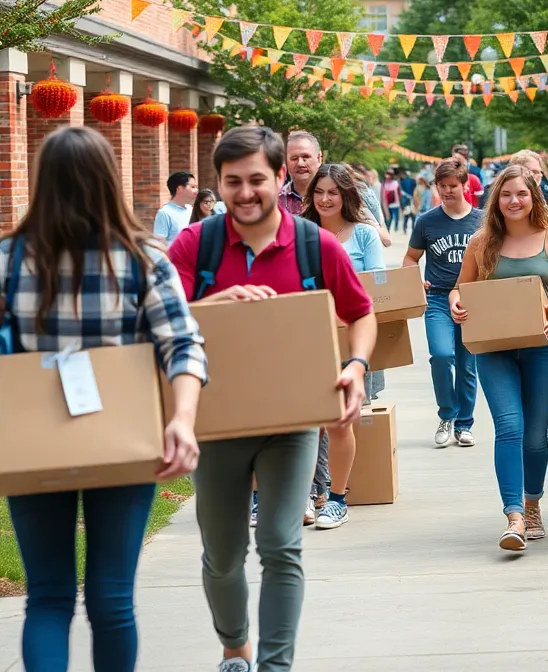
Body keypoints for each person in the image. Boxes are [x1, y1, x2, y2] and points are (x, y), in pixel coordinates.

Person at [168, 125, 376, 671]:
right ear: (218, 182)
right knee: (221, 556)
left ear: (280, 177)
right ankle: (235, 646)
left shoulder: (314, 244)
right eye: (232, 181)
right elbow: (156, 323)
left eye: (257, 178)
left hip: (293, 418)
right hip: (218, 420)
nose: (245, 191)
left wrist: (355, 365)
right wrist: (217, 303)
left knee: (282, 544)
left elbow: (361, 314)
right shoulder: (196, 245)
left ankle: (274, 665)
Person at [0, 127, 204, 672]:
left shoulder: (8, 259)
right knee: (112, 599)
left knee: (47, 597)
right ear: (107, 181)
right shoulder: (143, 258)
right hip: (123, 438)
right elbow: (183, 345)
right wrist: (182, 421)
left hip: (34, 443)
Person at [449, 165, 548, 551]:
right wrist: (456, 303)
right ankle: (514, 515)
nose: (514, 201)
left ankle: (533, 501)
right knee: (509, 427)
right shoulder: (481, 241)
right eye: (506, 195)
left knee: (535, 436)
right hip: (493, 349)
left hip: (541, 346)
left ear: (533, 197)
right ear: (496, 200)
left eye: (521, 194)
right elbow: (461, 288)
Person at [301, 163, 387, 530]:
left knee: (338, 421)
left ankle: (336, 499)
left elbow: (374, 291)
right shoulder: (299, 234)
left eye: (332, 193)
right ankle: (304, 496)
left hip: (348, 339)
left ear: (346, 196)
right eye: (318, 192)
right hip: (304, 339)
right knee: (302, 423)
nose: (324, 199)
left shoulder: (364, 235)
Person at [405, 158, 483, 448]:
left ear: (466, 186)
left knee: (467, 364)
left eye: (454, 186)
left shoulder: (482, 220)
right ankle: (447, 415)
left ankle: (465, 424)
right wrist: (414, 281)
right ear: (436, 187)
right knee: (441, 355)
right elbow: (411, 258)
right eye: (442, 186)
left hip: (472, 299)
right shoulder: (427, 221)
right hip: (437, 298)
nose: (448, 191)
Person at [511, 150, 548, 421]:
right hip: (504, 325)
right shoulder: (487, 235)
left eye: (538, 173)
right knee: (511, 422)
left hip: (546, 295)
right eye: (532, 173)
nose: (537, 178)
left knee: (535, 434)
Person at [153, 170, 199, 243]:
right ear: (179, 189)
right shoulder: (165, 213)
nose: (197, 191)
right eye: (193, 187)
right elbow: (159, 245)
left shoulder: (191, 210)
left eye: (196, 187)